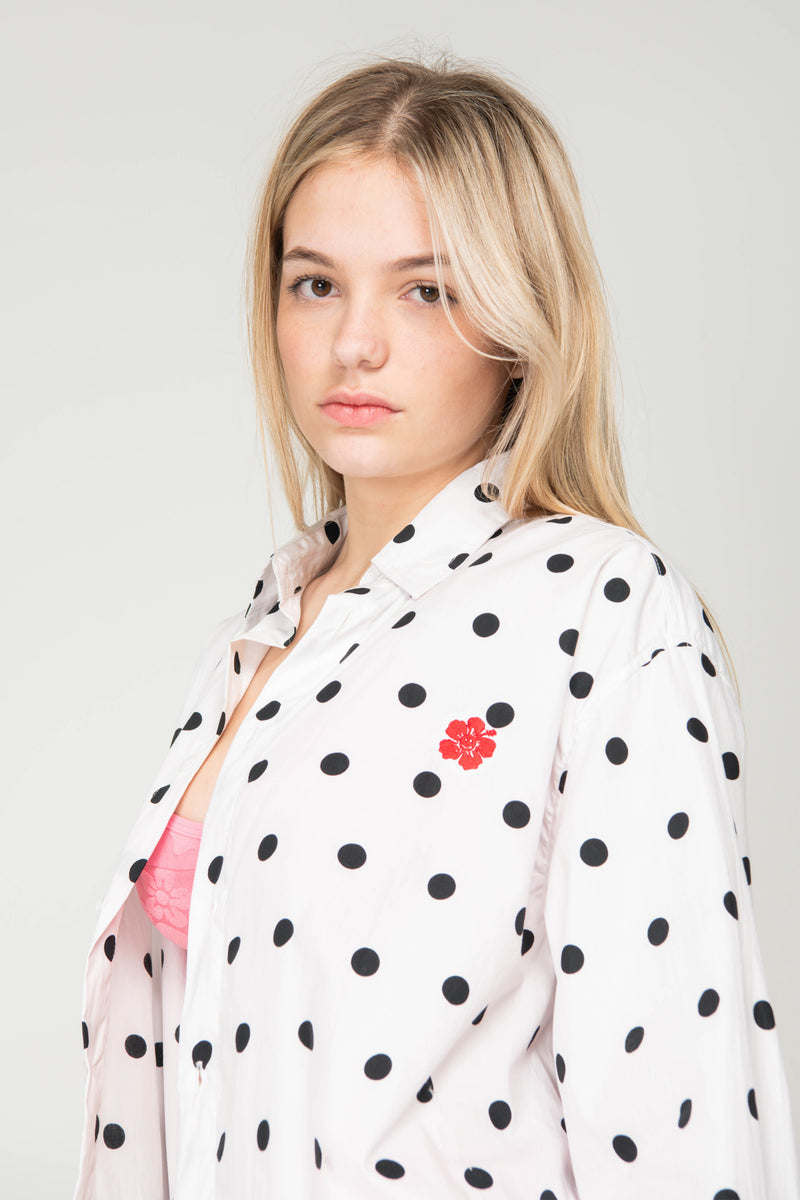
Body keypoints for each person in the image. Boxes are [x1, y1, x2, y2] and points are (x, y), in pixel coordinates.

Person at [73, 53, 799, 1200]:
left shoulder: (602, 607)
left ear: (520, 314)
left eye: (426, 289)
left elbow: (678, 1099)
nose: (353, 342)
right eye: (315, 283)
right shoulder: (261, 637)